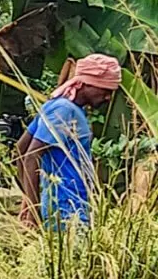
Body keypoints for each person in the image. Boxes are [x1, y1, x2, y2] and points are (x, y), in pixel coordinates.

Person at [21, 53, 121, 226]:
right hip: (67, 208)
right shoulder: (64, 110)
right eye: (105, 90)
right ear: (86, 84)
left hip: (70, 205)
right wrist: (32, 210)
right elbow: (31, 156)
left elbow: (20, 148)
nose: (108, 98)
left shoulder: (59, 105)